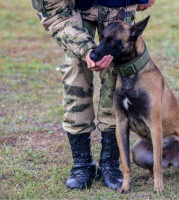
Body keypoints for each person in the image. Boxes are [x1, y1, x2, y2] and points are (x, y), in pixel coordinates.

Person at [31, 0, 155, 190]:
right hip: (75, 11)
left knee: (117, 76)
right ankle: (82, 164)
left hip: (119, 7)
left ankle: (110, 163)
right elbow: (54, 14)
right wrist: (88, 50)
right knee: (76, 70)